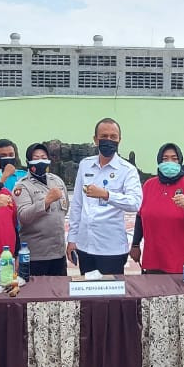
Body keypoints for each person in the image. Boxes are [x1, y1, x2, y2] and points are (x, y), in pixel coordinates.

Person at [67, 117, 143, 275]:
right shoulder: (85, 165)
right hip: (85, 245)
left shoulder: (127, 170)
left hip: (111, 248)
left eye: (113, 137)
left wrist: (106, 195)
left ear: (119, 140)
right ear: (95, 139)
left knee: (111, 297)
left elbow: (135, 203)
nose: (108, 140)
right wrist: (72, 238)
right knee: (87, 294)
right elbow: (77, 205)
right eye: (104, 136)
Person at [130, 144, 184, 274]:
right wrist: (135, 245)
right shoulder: (149, 185)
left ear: (180, 161)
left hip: (181, 263)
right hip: (153, 260)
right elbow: (140, 216)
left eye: (174, 158)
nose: (169, 162)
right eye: (165, 159)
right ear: (159, 161)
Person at [14, 143, 70, 276]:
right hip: (35, 255)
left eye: (44, 157)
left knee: (58, 292)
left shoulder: (57, 181)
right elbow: (23, 216)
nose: (40, 161)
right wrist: (46, 201)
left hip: (58, 252)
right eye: (36, 157)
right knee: (36, 293)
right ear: (28, 161)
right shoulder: (22, 186)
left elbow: (65, 209)